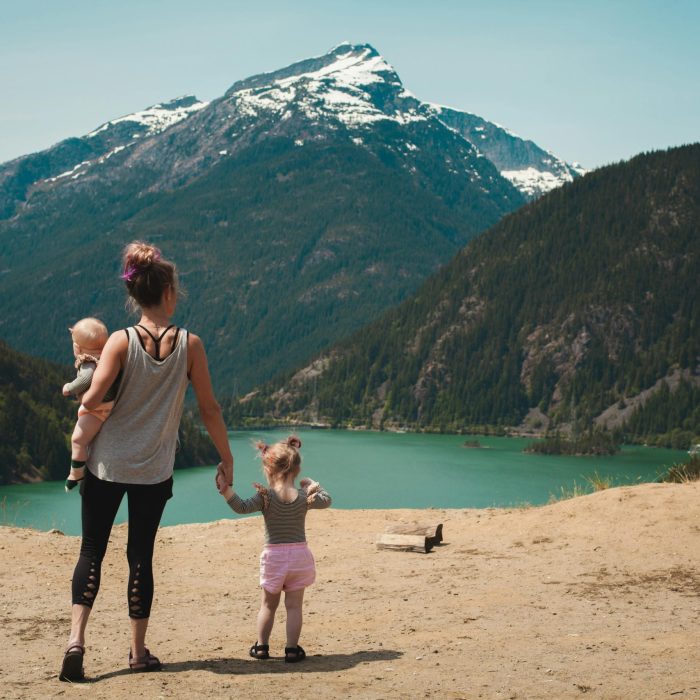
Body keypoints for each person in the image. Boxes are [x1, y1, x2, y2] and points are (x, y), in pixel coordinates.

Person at [59, 241, 234, 682]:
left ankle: (76, 643)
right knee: (141, 556)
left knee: (92, 550)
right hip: (154, 471)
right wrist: (226, 456)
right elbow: (209, 409)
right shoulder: (191, 345)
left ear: (135, 295)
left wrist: (85, 392)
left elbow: (95, 396)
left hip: (106, 467)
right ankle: (138, 653)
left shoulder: (119, 341)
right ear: (170, 292)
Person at [216, 435, 331, 663]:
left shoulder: (265, 497)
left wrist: (225, 489)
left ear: (268, 470)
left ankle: (261, 647)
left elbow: (241, 507)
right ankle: (291, 649)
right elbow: (327, 500)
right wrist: (313, 485)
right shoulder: (303, 496)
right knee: (294, 606)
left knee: (268, 605)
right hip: (300, 557)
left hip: (274, 559)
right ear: (297, 470)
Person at [62, 318, 120, 491]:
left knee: (78, 439)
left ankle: (76, 473)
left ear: (77, 348)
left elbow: (85, 379)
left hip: (98, 410)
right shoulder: (108, 358)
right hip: (109, 405)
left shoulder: (89, 363)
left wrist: (69, 388)